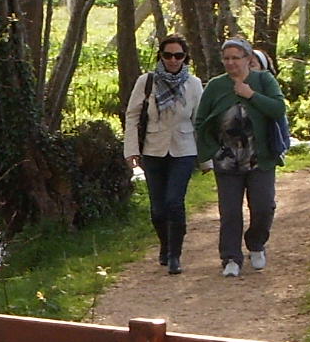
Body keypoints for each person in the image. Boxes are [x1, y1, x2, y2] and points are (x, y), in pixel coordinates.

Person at [194, 38, 288, 276]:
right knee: (230, 212)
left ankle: (256, 244)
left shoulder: (263, 80)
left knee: (264, 206)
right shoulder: (215, 86)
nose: (231, 63)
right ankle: (230, 258)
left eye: (236, 58)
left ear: (248, 59)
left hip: (260, 157)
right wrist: (212, 149)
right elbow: (201, 119)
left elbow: (278, 109)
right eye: (226, 58)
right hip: (227, 158)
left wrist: (250, 95)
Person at [121, 34, 203, 274]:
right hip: (153, 149)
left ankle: (175, 255)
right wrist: (131, 150)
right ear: (161, 56)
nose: (173, 60)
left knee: (174, 202)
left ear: (185, 58)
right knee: (158, 208)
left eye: (178, 55)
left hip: (184, 150)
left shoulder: (194, 84)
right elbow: (133, 116)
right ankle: (165, 245)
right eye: (168, 55)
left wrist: (206, 158)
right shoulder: (147, 82)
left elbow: (201, 121)